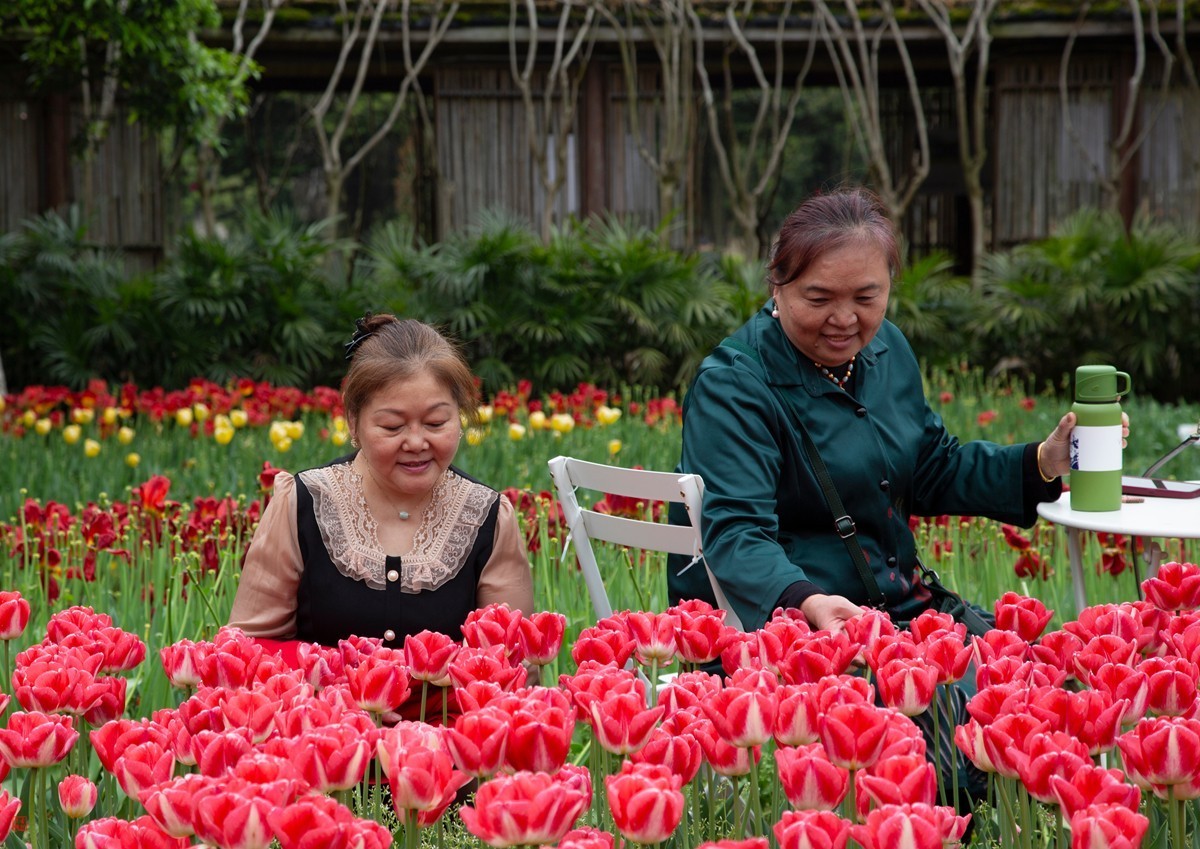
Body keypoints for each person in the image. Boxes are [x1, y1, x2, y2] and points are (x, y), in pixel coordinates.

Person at [667, 187, 1122, 810]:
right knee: (975, 731)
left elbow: (931, 466)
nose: (845, 319)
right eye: (818, 298)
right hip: (805, 630)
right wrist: (807, 602)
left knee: (1055, 685)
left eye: (866, 297)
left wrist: (1042, 462)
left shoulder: (886, 354)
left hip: (905, 612)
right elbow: (735, 534)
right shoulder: (735, 386)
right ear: (777, 286)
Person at [229, 314, 534, 667]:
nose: (417, 442)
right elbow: (249, 649)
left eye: (436, 423)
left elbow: (511, 665)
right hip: (322, 717)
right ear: (353, 422)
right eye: (392, 426)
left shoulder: (487, 516)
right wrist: (341, 684)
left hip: (450, 721)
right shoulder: (303, 503)